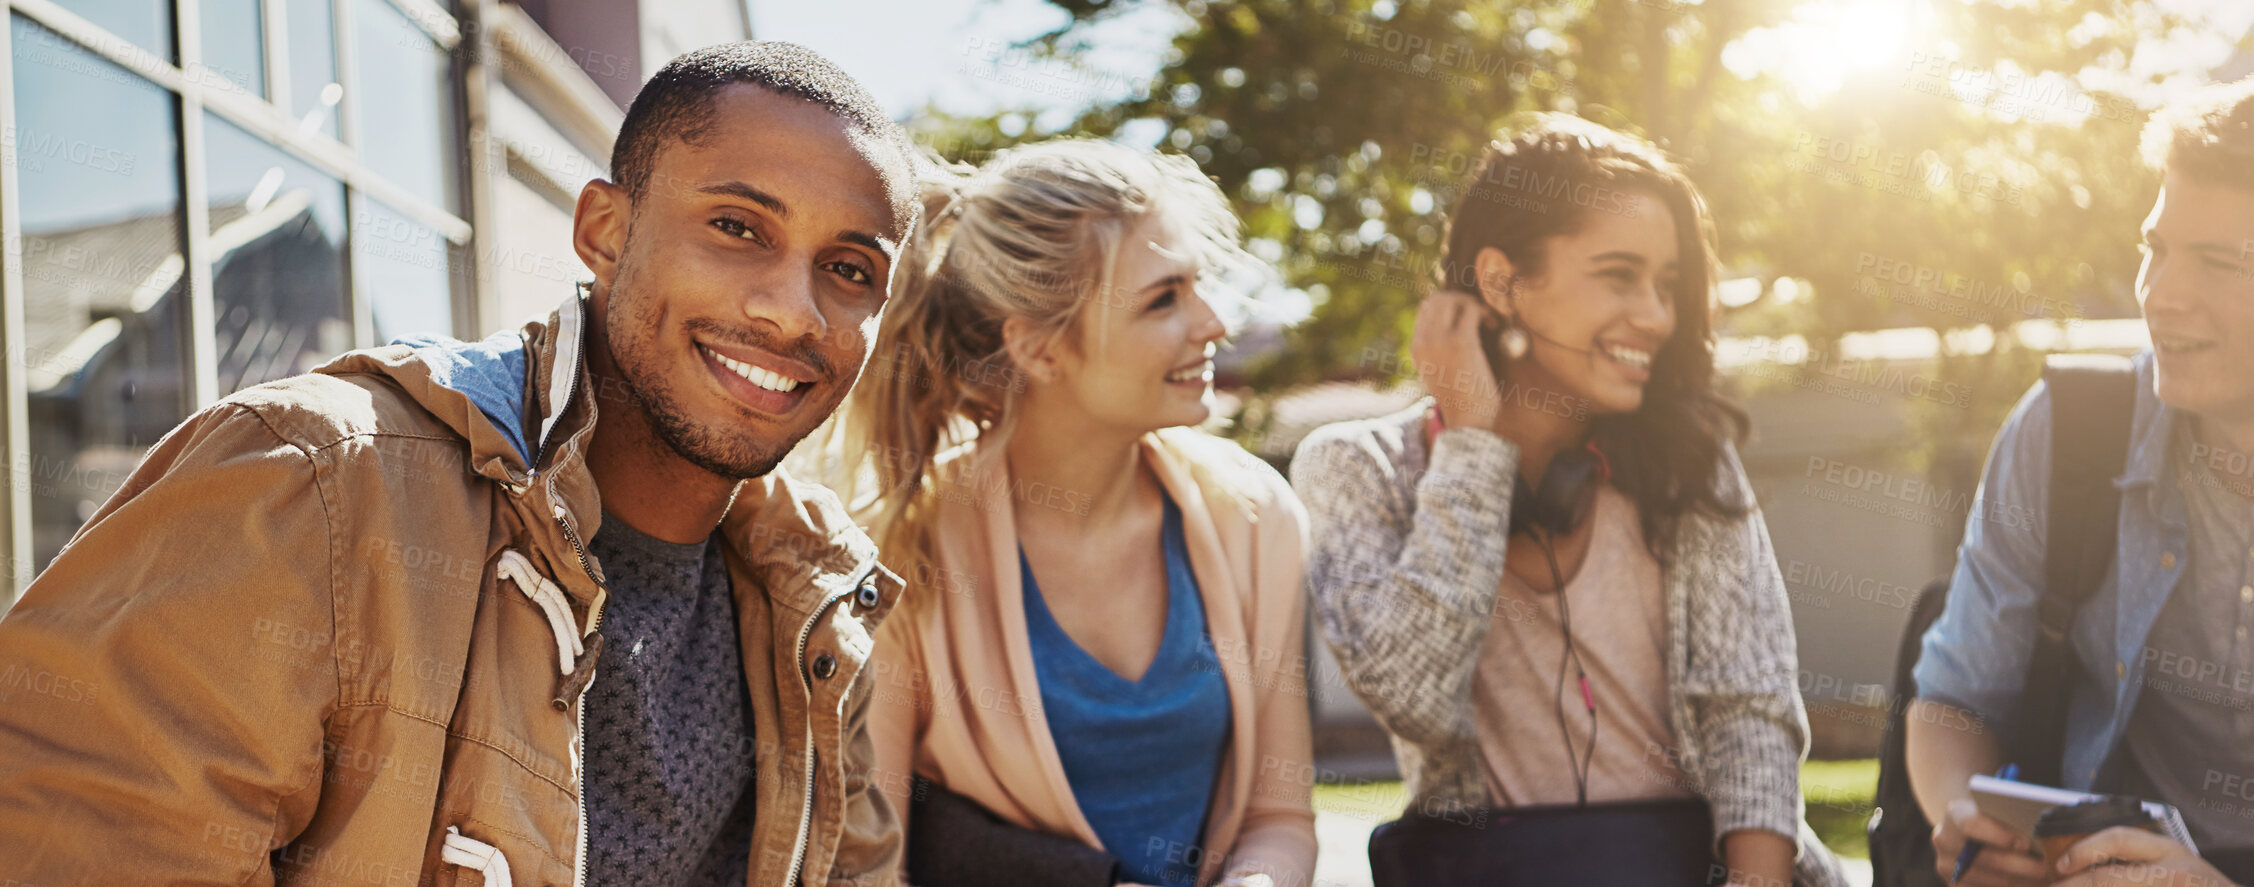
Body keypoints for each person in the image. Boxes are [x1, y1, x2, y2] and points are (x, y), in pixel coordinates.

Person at [0, 42, 919, 886]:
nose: (794, 313)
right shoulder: (312, 481)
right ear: (603, 230)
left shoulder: (817, 599)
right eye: (737, 226)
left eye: (849, 270)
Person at [1291, 114, 1848, 887]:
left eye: (1667, 285)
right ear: (1501, 282)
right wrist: (1475, 447)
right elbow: (1413, 694)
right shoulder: (1357, 467)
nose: (1655, 314)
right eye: (1619, 275)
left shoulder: (1691, 461)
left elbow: (1749, 708)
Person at [817, 139, 1317, 887]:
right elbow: (867, 867)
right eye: (1163, 298)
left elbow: (1280, 819)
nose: (1213, 322)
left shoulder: (1255, 515)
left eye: (1198, 283)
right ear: (1041, 349)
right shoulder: (898, 554)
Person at [1907, 76, 2254, 887]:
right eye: (2155, 248)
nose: (2160, 295)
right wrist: (1973, 822)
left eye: (2220, 261)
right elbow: (1952, 700)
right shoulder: (2068, 430)